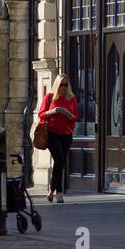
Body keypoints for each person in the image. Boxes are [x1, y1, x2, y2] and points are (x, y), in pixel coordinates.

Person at [37, 74, 78, 203]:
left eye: (66, 85)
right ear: (56, 85)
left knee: (60, 163)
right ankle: (59, 192)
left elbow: (75, 117)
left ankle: (51, 189)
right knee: (59, 160)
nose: (63, 88)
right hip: (52, 133)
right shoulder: (49, 97)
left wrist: (67, 114)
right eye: (61, 85)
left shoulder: (72, 98)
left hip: (66, 134)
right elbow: (41, 114)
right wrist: (54, 111)